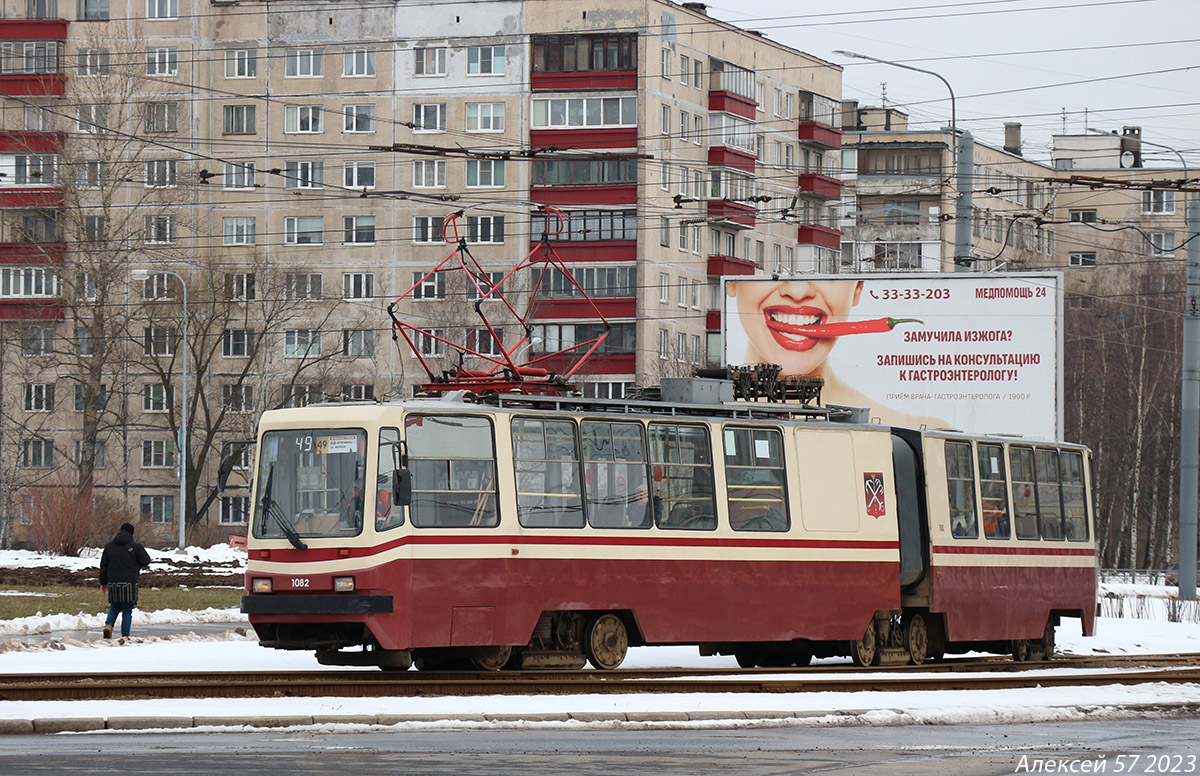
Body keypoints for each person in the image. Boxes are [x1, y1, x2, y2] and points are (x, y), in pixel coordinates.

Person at [728, 278, 948, 428]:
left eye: (826, 274)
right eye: (774, 274)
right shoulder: (711, 416)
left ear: (857, 289)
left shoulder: (918, 430)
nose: (797, 292)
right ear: (733, 283)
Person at [99, 522, 152, 640]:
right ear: (131, 533)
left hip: (113, 582)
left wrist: (103, 583)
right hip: (130, 583)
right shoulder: (136, 546)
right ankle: (125, 635)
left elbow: (103, 566)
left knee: (114, 606)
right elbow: (146, 561)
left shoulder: (109, 546)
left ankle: (109, 626)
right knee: (127, 610)